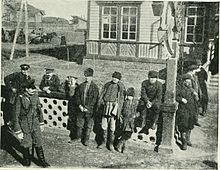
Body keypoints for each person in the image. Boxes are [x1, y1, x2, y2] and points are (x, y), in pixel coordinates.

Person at [12, 79, 50, 167]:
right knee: (26, 143)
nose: (34, 90)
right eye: (31, 88)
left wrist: (41, 123)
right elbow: (15, 115)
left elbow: (39, 110)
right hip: (25, 125)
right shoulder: (20, 98)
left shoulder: (35, 96)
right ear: (26, 89)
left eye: (34, 88)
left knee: (38, 141)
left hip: (35, 124)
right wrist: (18, 130)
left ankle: (42, 161)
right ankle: (26, 160)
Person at [97, 71, 126, 151]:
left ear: (119, 79)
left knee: (112, 127)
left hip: (113, 109)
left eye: (116, 78)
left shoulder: (121, 87)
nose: (115, 79)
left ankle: (110, 144)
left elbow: (121, 100)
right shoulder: (107, 85)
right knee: (104, 125)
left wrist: (118, 110)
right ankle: (103, 142)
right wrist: (102, 103)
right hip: (105, 107)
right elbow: (102, 95)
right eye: (113, 77)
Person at [74, 68, 99, 146]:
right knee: (79, 124)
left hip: (90, 110)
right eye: (86, 76)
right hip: (81, 108)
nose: (87, 78)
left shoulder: (95, 87)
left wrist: (87, 108)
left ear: (92, 77)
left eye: (88, 77)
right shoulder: (81, 86)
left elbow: (95, 100)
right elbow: (77, 96)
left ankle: (86, 140)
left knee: (88, 125)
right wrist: (80, 105)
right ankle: (78, 138)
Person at [176, 74, 199, 150]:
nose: (188, 82)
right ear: (183, 81)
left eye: (189, 81)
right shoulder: (179, 88)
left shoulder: (192, 89)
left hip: (191, 109)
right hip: (183, 109)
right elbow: (176, 96)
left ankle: (188, 139)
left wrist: (195, 95)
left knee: (190, 124)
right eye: (186, 81)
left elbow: (197, 100)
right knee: (183, 125)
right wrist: (181, 99)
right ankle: (184, 142)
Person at [138, 71, 163, 137]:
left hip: (155, 100)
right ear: (148, 78)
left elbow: (159, 96)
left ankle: (154, 123)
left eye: (154, 78)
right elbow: (143, 93)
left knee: (157, 107)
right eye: (151, 77)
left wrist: (152, 103)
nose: (152, 79)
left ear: (156, 79)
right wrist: (147, 101)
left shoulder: (159, 84)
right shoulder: (144, 83)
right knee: (142, 107)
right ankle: (142, 126)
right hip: (146, 100)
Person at [115, 87, 137, 153]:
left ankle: (123, 147)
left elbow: (137, 111)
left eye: (131, 96)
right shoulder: (125, 102)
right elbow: (121, 111)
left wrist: (135, 115)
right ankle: (121, 145)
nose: (129, 98)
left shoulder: (135, 103)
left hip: (131, 121)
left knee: (128, 134)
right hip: (125, 120)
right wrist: (121, 117)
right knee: (125, 133)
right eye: (128, 96)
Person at [61, 76, 79, 142]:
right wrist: (65, 83)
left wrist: (72, 86)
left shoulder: (77, 88)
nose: (70, 81)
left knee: (73, 122)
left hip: (75, 108)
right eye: (69, 79)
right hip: (69, 107)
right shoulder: (67, 87)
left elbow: (72, 95)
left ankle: (73, 137)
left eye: (72, 80)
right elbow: (60, 89)